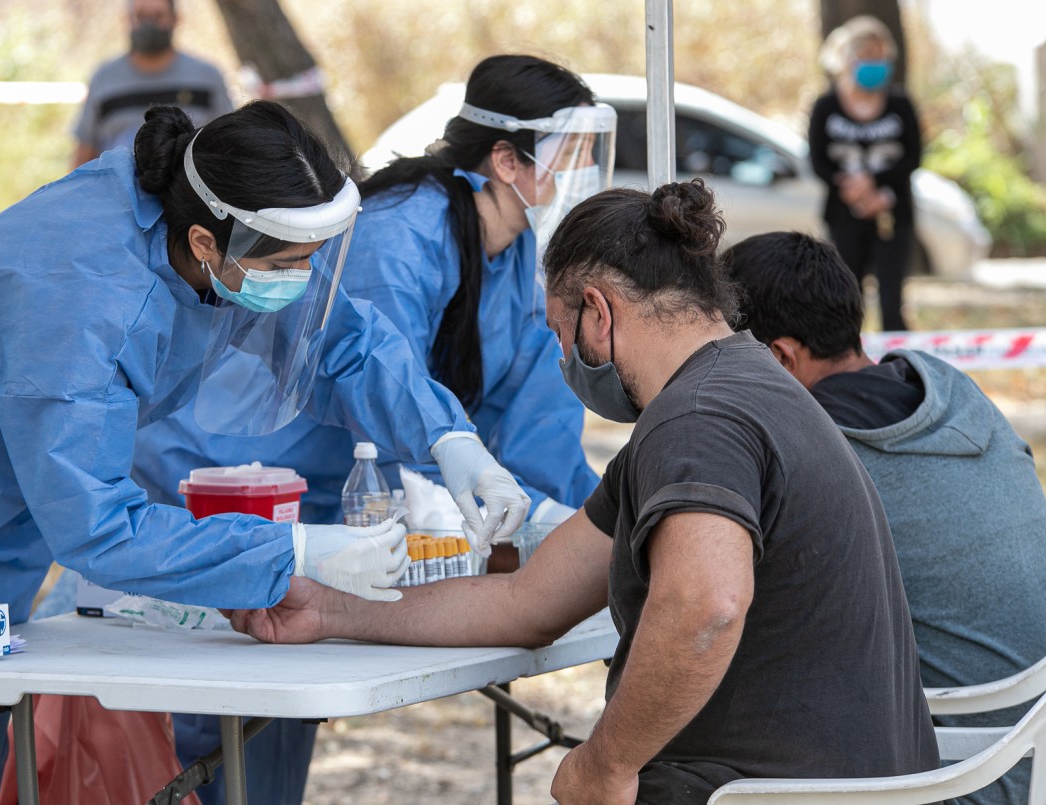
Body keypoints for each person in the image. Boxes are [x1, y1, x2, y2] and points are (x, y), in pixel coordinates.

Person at [0, 100, 532, 801]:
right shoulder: (90, 302)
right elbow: (99, 527)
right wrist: (297, 547)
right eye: (292, 260)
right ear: (208, 245)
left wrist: (449, 436)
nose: (304, 280)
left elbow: (342, 336)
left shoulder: (201, 220)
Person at [226, 180, 940, 804]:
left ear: (598, 312)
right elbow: (527, 600)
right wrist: (328, 609)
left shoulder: (698, 419)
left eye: (559, 335)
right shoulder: (738, 387)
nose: (562, 358)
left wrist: (607, 762)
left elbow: (706, 602)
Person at [101, 54, 616, 803]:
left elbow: (532, 410)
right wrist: (453, 462)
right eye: (573, 152)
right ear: (507, 159)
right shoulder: (403, 232)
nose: (584, 171)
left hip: (331, 510)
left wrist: (573, 520)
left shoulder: (515, 253)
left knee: (279, 720)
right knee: (215, 712)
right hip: (229, 480)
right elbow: (380, 384)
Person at [723, 230, 1046, 805]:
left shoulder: (804, 450)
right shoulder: (953, 390)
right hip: (1029, 756)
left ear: (779, 357)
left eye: (724, 356)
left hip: (950, 778)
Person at [809, 14, 921, 332]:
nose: (876, 64)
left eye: (881, 56)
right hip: (843, 214)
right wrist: (851, 188)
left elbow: (913, 157)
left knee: (891, 303)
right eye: (867, 55)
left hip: (893, 216)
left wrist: (875, 185)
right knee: (847, 299)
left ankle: (897, 371)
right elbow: (817, 161)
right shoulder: (826, 106)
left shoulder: (900, 104)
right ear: (848, 58)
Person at [72, 0, 232, 166]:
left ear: (175, 19)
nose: (149, 24)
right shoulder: (104, 79)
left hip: (190, 187)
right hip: (118, 189)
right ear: (128, 19)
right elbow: (85, 148)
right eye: (140, 16)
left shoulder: (206, 77)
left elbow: (228, 142)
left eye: (158, 16)